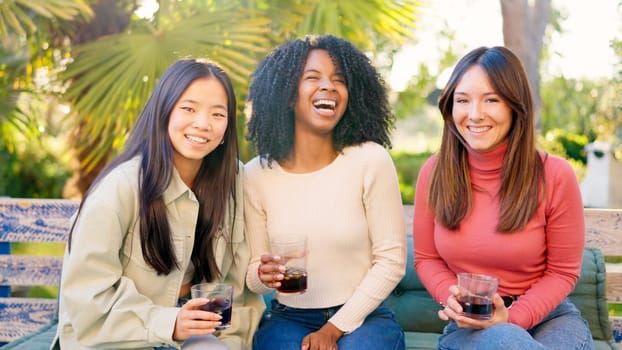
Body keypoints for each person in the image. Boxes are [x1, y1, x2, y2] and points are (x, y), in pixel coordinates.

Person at [53, 58, 265, 350]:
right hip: (119, 336)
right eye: (188, 109)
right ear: (164, 111)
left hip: (200, 330)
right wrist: (170, 323)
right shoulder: (119, 188)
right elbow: (86, 301)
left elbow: (238, 292)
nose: (202, 124)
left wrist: (227, 340)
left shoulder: (234, 182)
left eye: (218, 114)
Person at [413, 46, 593, 350]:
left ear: (514, 106)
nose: (474, 114)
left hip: (551, 318)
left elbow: (562, 272)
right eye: (462, 100)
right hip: (469, 324)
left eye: (491, 100)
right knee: (504, 339)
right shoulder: (434, 172)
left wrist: (511, 318)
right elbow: (426, 258)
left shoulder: (555, 175)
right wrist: (450, 297)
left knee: (507, 337)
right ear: (450, 107)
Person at [243, 34, 407, 350]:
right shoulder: (255, 175)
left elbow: (391, 262)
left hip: (365, 318)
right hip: (288, 318)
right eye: (312, 78)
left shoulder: (370, 160)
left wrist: (333, 329)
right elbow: (252, 274)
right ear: (288, 95)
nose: (329, 87)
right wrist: (264, 274)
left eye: (339, 80)